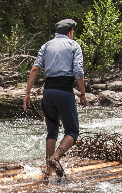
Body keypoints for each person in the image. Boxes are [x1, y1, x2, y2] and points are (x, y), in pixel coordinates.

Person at [23, 19, 88, 178]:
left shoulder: (46, 46)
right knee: (72, 131)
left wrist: (27, 93)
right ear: (70, 32)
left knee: (52, 131)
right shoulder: (74, 46)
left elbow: (34, 69)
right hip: (64, 92)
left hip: (48, 92)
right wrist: (83, 93)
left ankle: (48, 171)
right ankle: (55, 158)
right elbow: (78, 71)